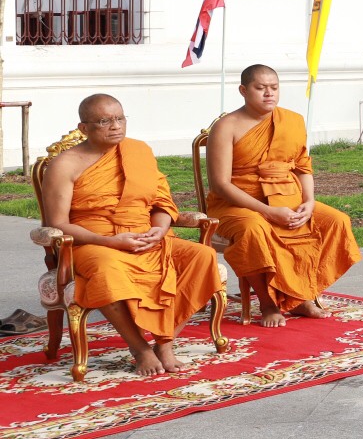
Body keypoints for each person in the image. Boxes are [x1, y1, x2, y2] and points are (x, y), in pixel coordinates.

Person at [42, 95, 225, 377]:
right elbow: (58, 223)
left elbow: (162, 203)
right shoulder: (64, 165)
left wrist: (160, 229)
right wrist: (109, 241)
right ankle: (140, 349)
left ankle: (165, 342)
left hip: (147, 236)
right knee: (106, 269)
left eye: (120, 118)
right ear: (84, 127)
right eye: (104, 121)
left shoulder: (138, 151)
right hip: (94, 241)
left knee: (202, 256)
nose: (115, 126)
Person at [205, 65, 362, 326]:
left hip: (288, 197)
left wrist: (309, 202)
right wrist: (267, 211)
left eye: (274, 88)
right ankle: (267, 304)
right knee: (254, 229)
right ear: (243, 90)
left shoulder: (292, 120)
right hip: (236, 203)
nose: (269, 93)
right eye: (260, 88)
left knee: (336, 221)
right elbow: (220, 185)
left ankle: (300, 295)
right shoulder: (227, 126)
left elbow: (302, 167)